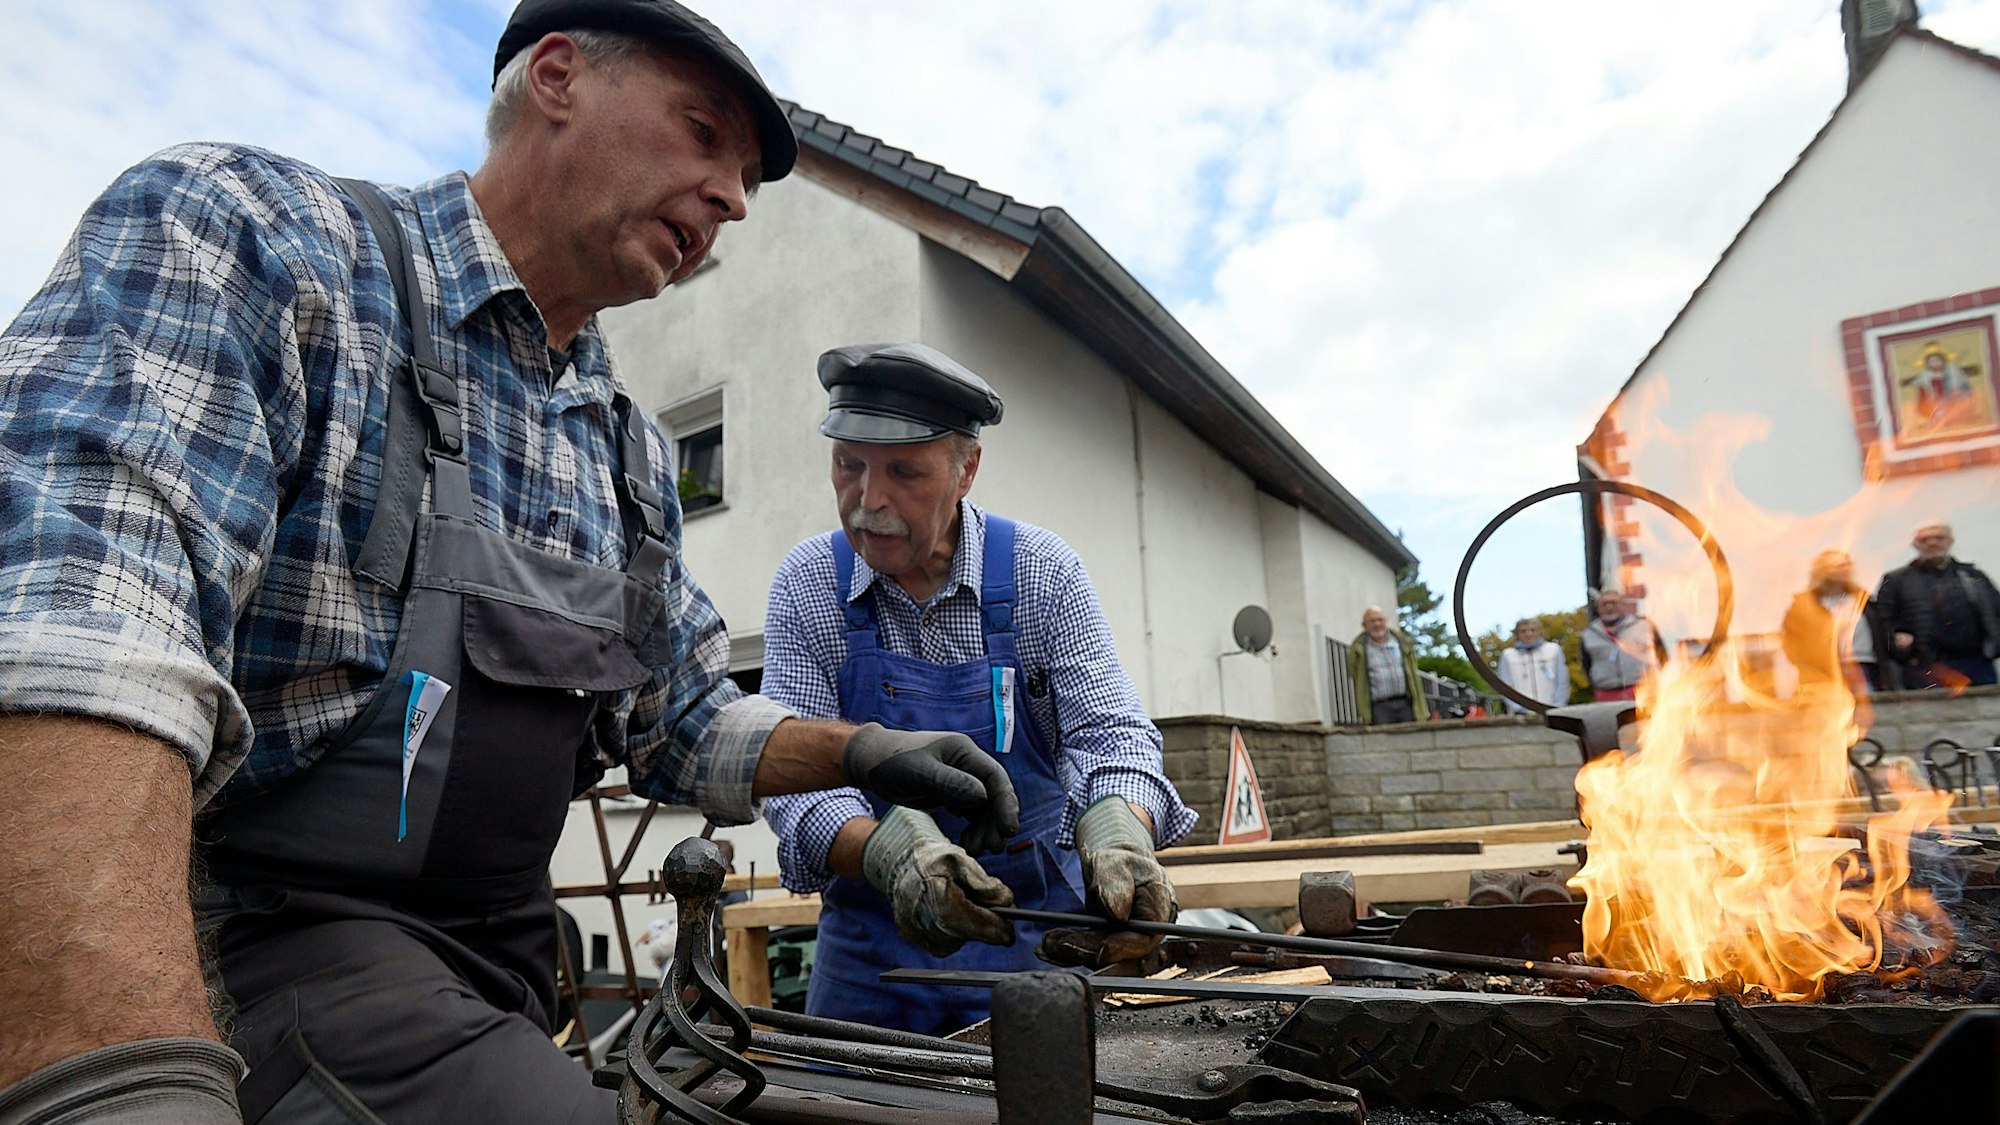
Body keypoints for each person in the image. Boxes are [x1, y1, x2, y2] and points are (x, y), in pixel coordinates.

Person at [0, 6, 1023, 1123]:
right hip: (265, 956)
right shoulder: (268, 246)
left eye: (744, 182)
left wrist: (862, 750)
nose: (733, 199)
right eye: (702, 135)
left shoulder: (627, 450)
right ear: (556, 78)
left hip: (506, 975)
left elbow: (678, 719)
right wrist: (121, 1078)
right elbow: (80, 637)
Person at [760, 343, 1196, 1035]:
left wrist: (1118, 823)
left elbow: (1109, 731)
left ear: (966, 470)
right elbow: (793, 775)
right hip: (873, 960)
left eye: (904, 471)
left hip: (1041, 944)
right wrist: (883, 851)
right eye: (848, 465)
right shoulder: (809, 583)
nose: (868, 501)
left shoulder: (1041, 572)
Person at [1874, 523, 2000, 690]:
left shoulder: (1974, 576)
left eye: (1939, 538)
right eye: (1925, 539)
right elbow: (1884, 619)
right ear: (1915, 544)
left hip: (1976, 662)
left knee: (1985, 707)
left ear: (1950, 541)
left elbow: (1995, 612)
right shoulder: (1896, 580)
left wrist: (1993, 648)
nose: (1932, 543)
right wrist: (1900, 645)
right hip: (1925, 667)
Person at [1781, 549, 1890, 700]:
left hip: (1863, 664)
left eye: (1847, 565)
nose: (1844, 569)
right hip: (1823, 670)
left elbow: (1880, 630)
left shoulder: (1863, 600)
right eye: (1837, 566)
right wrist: (1805, 664)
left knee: (1866, 706)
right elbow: (1790, 639)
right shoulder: (1804, 605)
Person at [1578, 587, 1667, 702]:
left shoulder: (1643, 626)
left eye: (1614, 603)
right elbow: (1586, 664)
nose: (1609, 607)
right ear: (1598, 608)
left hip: (1643, 690)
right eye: (1604, 604)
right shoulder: (1588, 634)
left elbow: (1662, 654)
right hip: (1607, 694)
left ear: (1623, 605)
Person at [1346, 606, 1430, 724]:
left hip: (1406, 703)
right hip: (1379, 707)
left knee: (1412, 735)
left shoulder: (1401, 643)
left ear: (1386, 621)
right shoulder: (1359, 649)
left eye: (1380, 620)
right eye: (1372, 621)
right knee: (1383, 736)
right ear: (1364, 625)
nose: (1377, 624)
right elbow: (1355, 674)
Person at [1495, 617, 1570, 713]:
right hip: (1520, 714)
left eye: (1533, 630)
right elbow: (1505, 685)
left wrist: (1557, 706)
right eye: (1523, 631)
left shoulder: (1554, 650)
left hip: (1552, 710)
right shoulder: (1508, 655)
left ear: (1539, 632)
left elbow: (1562, 681)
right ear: (1517, 634)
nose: (1529, 634)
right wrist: (1518, 709)